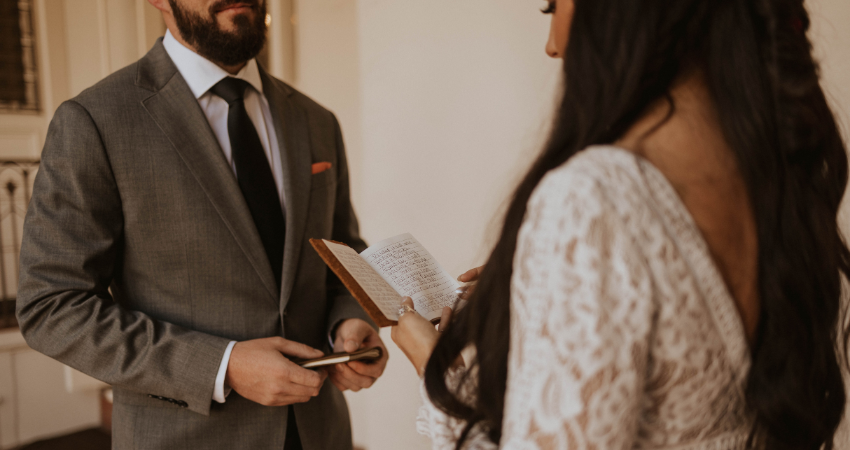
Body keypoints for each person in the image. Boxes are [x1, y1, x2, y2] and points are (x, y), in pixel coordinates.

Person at [392, 0, 850, 448]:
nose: (552, 47)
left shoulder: (593, 199)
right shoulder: (778, 176)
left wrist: (440, 375)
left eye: (552, 8)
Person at [15, 0, 388, 448]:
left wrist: (350, 321)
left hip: (321, 433)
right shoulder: (94, 122)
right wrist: (222, 365)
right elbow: (51, 307)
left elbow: (345, 254)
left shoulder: (317, 120)